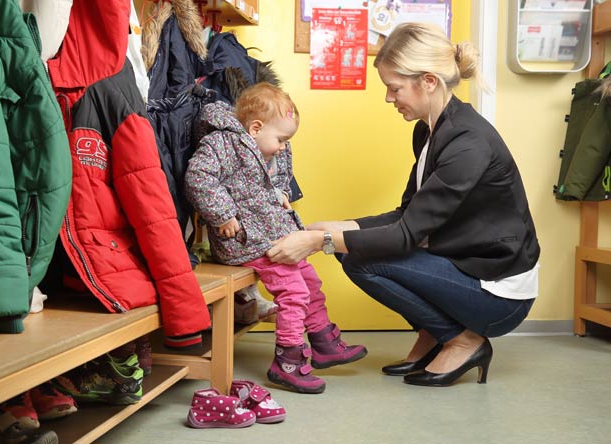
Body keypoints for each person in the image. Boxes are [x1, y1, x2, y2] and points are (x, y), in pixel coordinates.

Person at [265, 23, 541, 387]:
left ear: (428, 81)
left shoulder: (468, 143)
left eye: (394, 88)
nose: (389, 98)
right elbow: (407, 214)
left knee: (361, 258)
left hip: (498, 294)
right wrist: (339, 225)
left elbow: (407, 234)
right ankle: (438, 333)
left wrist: (320, 242)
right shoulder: (430, 129)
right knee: (352, 248)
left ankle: (462, 339)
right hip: (467, 266)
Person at [185, 82, 367, 394]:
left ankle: (322, 339)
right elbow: (197, 177)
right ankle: (288, 361)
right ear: (255, 128)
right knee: (294, 292)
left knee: (309, 280)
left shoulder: (266, 146)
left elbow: (269, 178)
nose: (283, 147)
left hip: (269, 233)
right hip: (243, 239)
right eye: (281, 140)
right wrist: (224, 215)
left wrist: (280, 192)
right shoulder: (222, 144)